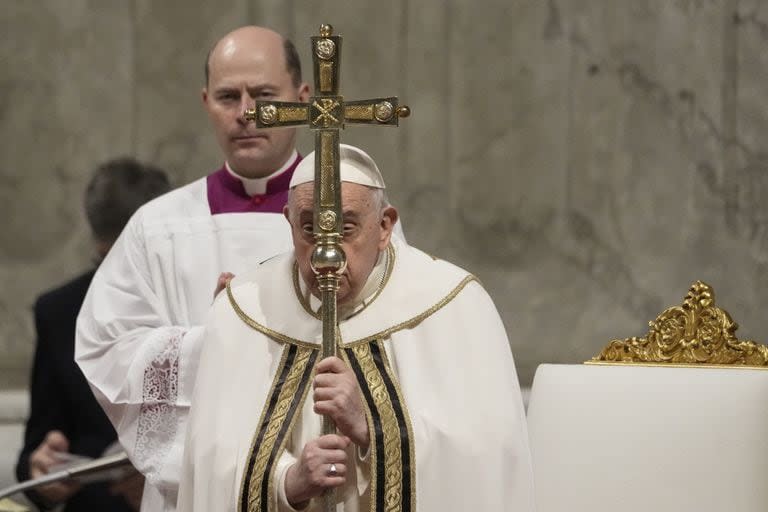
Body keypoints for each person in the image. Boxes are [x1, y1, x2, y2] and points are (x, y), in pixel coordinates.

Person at [176, 144, 535, 511]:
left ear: (384, 226)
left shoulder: (454, 305)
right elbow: (208, 460)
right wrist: (287, 481)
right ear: (288, 222)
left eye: (345, 228)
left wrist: (372, 427)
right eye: (310, 229)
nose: (325, 254)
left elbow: (487, 458)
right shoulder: (243, 310)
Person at [75, 26, 311, 512]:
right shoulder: (159, 226)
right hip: (197, 495)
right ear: (206, 102)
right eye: (228, 96)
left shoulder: (351, 217)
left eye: (264, 95)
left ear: (304, 98)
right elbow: (104, 348)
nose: (246, 112)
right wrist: (209, 341)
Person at [16, 158, 171, 512]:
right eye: (107, 262)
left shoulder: (191, 302)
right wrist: (40, 468)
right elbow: (37, 448)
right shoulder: (58, 310)